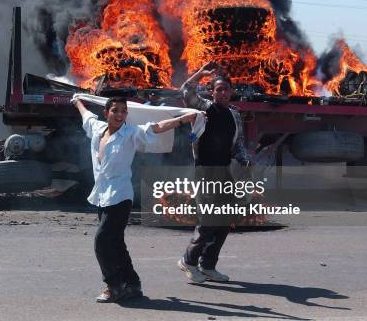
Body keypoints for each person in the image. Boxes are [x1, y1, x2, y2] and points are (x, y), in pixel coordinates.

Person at [73, 95, 202, 303]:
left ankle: (113, 286)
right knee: (116, 242)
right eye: (115, 110)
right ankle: (132, 284)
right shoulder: (98, 129)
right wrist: (77, 101)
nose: (120, 114)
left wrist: (183, 120)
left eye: (124, 111)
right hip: (102, 195)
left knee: (102, 242)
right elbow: (86, 116)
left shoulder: (130, 133)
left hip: (120, 196)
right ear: (106, 113)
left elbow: (156, 128)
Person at [177, 61, 250, 283]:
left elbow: (238, 144)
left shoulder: (235, 115)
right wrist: (201, 73)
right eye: (219, 89)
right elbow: (185, 91)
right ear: (213, 92)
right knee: (208, 219)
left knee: (225, 221)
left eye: (226, 89)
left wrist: (245, 162)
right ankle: (188, 261)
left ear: (232, 91)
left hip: (225, 172)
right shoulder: (204, 108)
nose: (223, 92)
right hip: (206, 172)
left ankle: (208, 265)